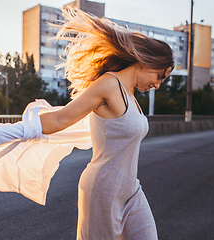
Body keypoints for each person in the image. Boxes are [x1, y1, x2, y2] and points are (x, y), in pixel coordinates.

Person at [39, 7, 174, 240]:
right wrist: (11, 130)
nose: (158, 85)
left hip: (131, 191)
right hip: (103, 191)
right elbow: (61, 118)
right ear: (145, 60)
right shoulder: (109, 85)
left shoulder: (131, 96)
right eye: (159, 76)